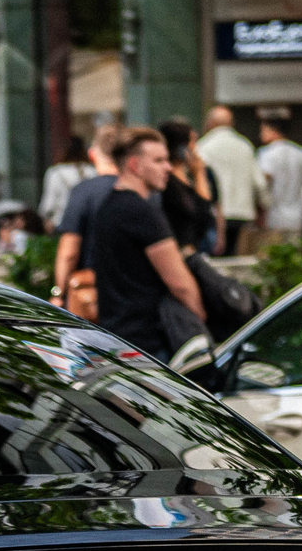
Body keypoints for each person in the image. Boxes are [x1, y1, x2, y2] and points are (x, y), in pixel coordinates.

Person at [88, 127, 204, 362]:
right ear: (134, 165)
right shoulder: (143, 212)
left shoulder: (106, 207)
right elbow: (179, 283)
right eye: (159, 160)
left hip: (117, 338)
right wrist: (199, 323)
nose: (168, 167)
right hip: (151, 344)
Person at [49, 124, 124, 317]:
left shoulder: (84, 192)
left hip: (92, 295)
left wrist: (59, 292)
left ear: (92, 154)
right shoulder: (141, 191)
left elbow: (69, 251)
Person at [196, 106, 262, 255]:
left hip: (215, 214)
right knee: (236, 258)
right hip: (241, 213)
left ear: (210, 123)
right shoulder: (245, 146)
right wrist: (263, 208)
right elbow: (259, 183)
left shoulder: (203, 146)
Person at [158, 119, 220, 255]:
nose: (195, 148)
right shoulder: (167, 183)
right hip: (181, 250)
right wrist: (199, 175)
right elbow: (202, 210)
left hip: (196, 246)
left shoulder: (190, 174)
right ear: (180, 147)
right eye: (192, 142)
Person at [256, 110, 302, 243]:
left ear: (273, 130)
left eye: (263, 130)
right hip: (299, 218)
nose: (260, 135)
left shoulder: (266, 154)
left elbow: (262, 184)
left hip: (274, 218)